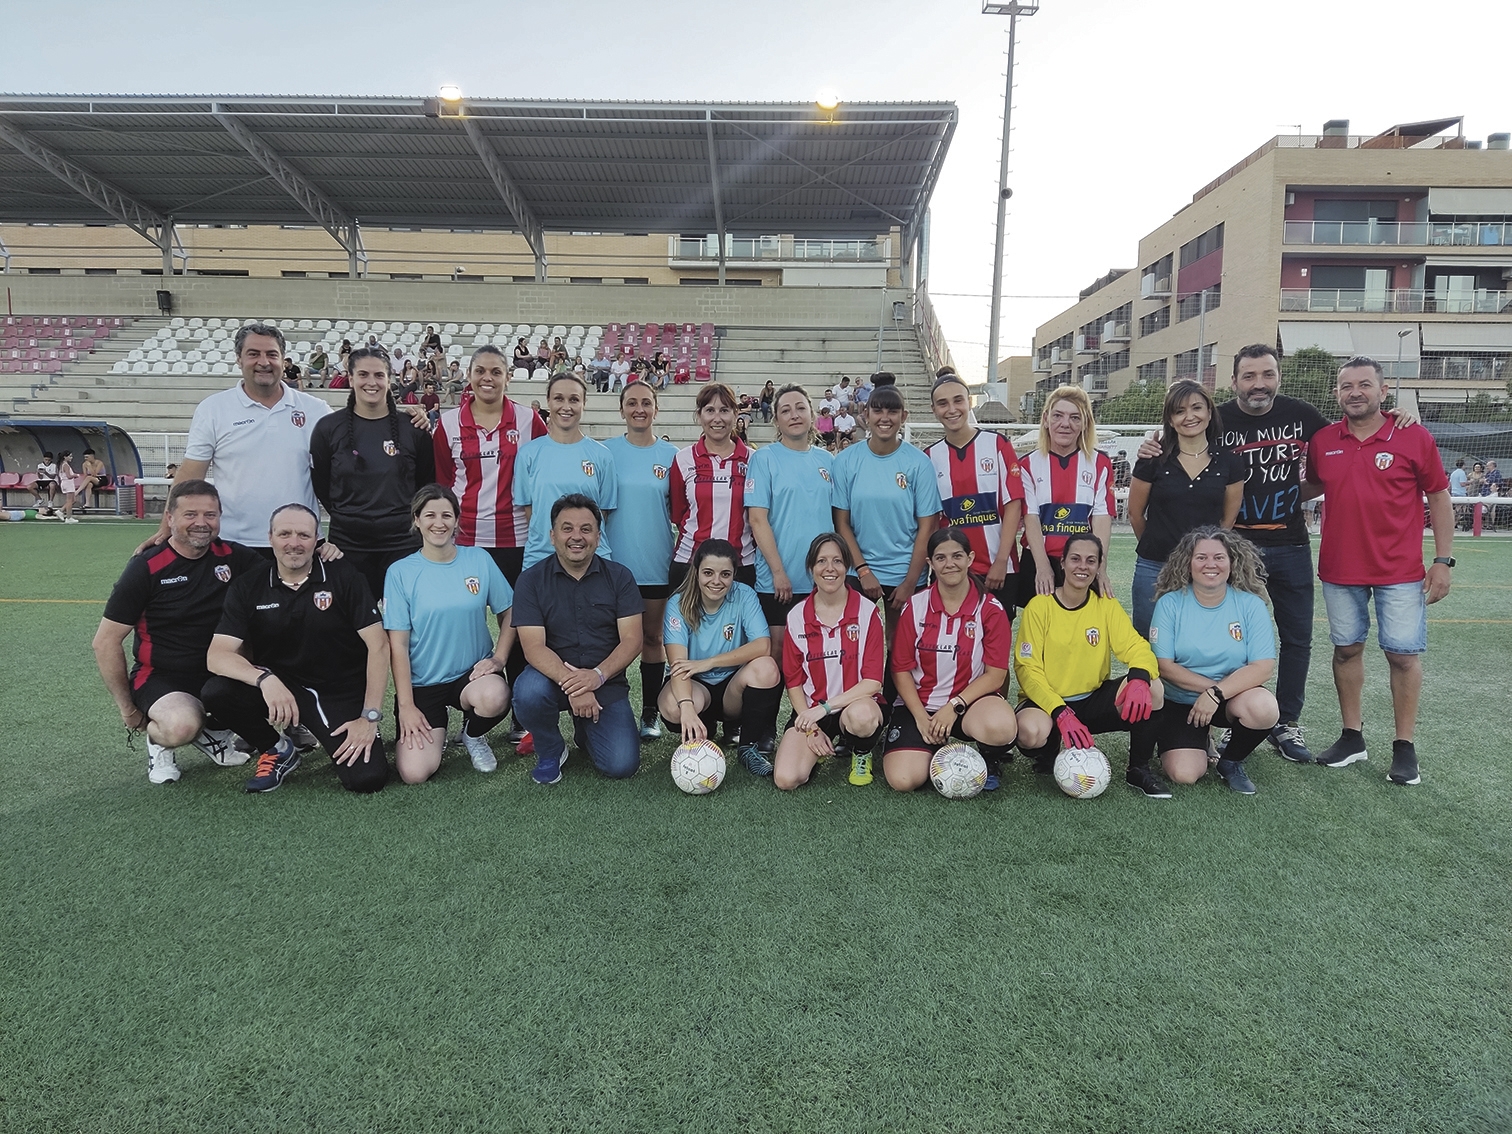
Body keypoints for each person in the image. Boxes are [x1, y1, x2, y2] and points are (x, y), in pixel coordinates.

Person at [1135, 344, 1417, 765]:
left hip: (1288, 544)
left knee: (1296, 636)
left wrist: (1394, 418)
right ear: (1234, 382)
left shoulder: (1302, 415)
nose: (1258, 384)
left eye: (1267, 374)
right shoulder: (1216, 417)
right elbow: (1166, 461)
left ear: (1278, 377)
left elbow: (1348, 436)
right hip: (1229, 550)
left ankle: (1285, 722)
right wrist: (1151, 443)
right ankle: (1190, 722)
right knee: (1202, 636)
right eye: (1249, 376)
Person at [1304, 357, 1453, 786]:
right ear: (1336, 394)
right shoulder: (1324, 440)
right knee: (1346, 650)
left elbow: (1440, 497)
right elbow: (1312, 485)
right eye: (1346, 385)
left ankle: (1404, 748)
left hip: (1400, 570)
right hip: (1339, 568)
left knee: (1403, 655)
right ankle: (1352, 737)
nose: (1355, 392)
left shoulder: (1413, 435)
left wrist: (1443, 561)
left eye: (1364, 384)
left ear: (1383, 391)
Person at [203, 504, 390, 794]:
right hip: (280, 687)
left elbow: (378, 646)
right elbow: (217, 656)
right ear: (270, 537)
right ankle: (276, 749)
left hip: (337, 689)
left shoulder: (343, 576)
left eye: (303, 535)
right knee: (218, 692)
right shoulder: (249, 585)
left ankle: (320, 730)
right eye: (284, 534)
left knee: (367, 779)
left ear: (317, 540)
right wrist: (265, 680)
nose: (293, 543)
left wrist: (369, 717)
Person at [93, 480, 260, 784]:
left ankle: (216, 733)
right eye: (190, 514)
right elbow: (105, 642)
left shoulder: (236, 558)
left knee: (275, 673)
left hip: (221, 672)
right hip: (163, 675)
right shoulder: (146, 567)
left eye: (210, 515)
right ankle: (161, 744)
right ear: (169, 518)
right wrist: (128, 709)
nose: (201, 523)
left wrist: (323, 549)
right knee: (181, 726)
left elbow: (289, 572)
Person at [1014, 534, 1169, 798]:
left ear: (1099, 567)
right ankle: (1049, 749)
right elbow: (1027, 670)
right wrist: (1059, 712)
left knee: (1153, 688)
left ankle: (1138, 768)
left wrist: (1140, 678)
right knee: (1031, 734)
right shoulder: (1039, 606)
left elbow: (1137, 647)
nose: (1082, 567)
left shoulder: (1105, 605)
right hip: (1049, 704)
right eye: (1075, 559)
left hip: (1091, 700)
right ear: (1062, 563)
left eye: (1090, 561)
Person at [154, 323, 333, 549]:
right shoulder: (214, 409)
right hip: (234, 542)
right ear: (238, 359)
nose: (264, 362)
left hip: (300, 543)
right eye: (253, 354)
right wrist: (165, 528)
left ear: (283, 359)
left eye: (271, 354)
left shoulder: (316, 410)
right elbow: (190, 475)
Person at [511, 494, 644, 785]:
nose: (576, 537)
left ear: (598, 535)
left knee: (622, 765)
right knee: (528, 692)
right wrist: (575, 686)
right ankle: (550, 748)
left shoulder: (620, 577)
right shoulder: (531, 581)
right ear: (552, 535)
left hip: (605, 683)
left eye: (586, 529)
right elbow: (533, 647)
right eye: (567, 528)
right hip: (549, 680)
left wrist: (597, 677)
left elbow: (633, 639)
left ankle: (586, 728)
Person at [384, 484, 514, 781]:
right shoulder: (400, 572)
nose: (438, 523)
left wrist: (499, 659)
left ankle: (472, 734)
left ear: (457, 520)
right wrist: (406, 707)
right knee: (414, 773)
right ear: (416, 520)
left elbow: (510, 611)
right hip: (423, 685)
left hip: (471, 676)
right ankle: (435, 731)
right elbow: (398, 646)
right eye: (429, 515)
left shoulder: (478, 559)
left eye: (446, 515)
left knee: (495, 696)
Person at [883, 528, 1017, 793]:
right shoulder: (915, 606)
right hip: (920, 704)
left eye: (957, 556)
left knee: (1001, 727)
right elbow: (900, 668)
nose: (950, 564)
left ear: (970, 558)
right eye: (941, 558)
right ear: (930, 563)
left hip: (968, 705)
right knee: (903, 781)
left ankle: (988, 757)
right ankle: (932, 747)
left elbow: (996, 674)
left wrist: (953, 705)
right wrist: (921, 718)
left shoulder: (989, 609)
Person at [1150, 527, 1278, 795]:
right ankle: (1192, 738)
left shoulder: (1250, 605)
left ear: (1232, 562)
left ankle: (1231, 761)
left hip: (1229, 697)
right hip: (1181, 701)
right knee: (1184, 774)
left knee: (1264, 707)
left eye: (1219, 557)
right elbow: (1164, 665)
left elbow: (1263, 666)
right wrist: (1209, 690)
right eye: (1201, 557)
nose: (1211, 564)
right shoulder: (1170, 603)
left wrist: (1217, 694)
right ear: (1188, 562)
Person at [310, 346, 436, 601]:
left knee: (407, 626)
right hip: (347, 545)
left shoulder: (412, 428)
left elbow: (425, 484)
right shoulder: (328, 428)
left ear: (389, 379)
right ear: (351, 377)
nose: (372, 382)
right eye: (363, 374)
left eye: (379, 375)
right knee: (351, 627)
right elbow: (321, 484)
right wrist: (350, 516)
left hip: (403, 543)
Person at [1125, 380, 1246, 636]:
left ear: (1209, 413)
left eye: (1197, 408)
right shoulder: (1153, 460)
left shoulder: (1229, 463)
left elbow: (1227, 520)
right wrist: (1162, 548)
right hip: (1154, 567)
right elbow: (1135, 514)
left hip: (1205, 569)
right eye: (1179, 411)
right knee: (1148, 641)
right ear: (1170, 419)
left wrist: (1203, 556)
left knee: (1198, 639)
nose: (1189, 416)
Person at [659, 537, 784, 776]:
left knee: (766, 668)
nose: (716, 581)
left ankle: (748, 748)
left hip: (731, 688)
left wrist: (709, 662)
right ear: (696, 571)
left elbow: (762, 646)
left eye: (725, 574)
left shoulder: (744, 595)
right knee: (675, 709)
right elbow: (678, 665)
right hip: (694, 684)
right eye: (708, 572)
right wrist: (686, 707)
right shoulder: (678, 602)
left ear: (734, 574)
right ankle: (701, 729)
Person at [774, 533, 886, 790]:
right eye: (821, 561)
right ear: (811, 568)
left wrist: (824, 709)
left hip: (855, 705)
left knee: (862, 717)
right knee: (786, 779)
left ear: (846, 567)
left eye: (837, 561)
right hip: (811, 709)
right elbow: (793, 681)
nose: (829, 568)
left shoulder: (867, 612)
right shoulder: (797, 616)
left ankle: (861, 751)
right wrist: (811, 726)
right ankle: (819, 747)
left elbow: (872, 683)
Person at [603, 380, 679, 739]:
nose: (639, 409)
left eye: (646, 403)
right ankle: (606, 710)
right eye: (631, 403)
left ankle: (650, 712)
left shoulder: (671, 456)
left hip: (656, 563)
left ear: (656, 409)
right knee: (609, 641)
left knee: (652, 637)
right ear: (621, 410)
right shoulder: (605, 454)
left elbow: (679, 511)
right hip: (613, 566)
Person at [832, 384, 941, 636]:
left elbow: (927, 528)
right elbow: (842, 524)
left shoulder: (919, 464)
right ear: (865, 414)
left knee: (900, 645)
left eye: (892, 411)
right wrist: (863, 570)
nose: (884, 418)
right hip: (858, 570)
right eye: (877, 410)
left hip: (904, 571)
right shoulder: (847, 460)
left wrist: (910, 583)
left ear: (903, 417)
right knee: (853, 642)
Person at [925, 372, 1026, 619]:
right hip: (950, 571)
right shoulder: (929, 457)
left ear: (969, 402)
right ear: (934, 410)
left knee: (995, 644)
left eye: (958, 400)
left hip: (997, 568)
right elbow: (930, 521)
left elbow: (1013, 504)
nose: (951, 409)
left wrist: (1001, 561)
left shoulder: (998, 444)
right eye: (943, 403)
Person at [746, 384, 835, 646]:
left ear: (812, 414)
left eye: (800, 408)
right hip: (779, 580)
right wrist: (778, 572)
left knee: (818, 659)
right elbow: (757, 519)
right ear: (776, 420)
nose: (794, 415)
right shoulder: (764, 458)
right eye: (785, 410)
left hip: (821, 580)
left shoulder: (827, 461)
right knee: (776, 657)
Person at [1018, 385, 1115, 610]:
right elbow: (1030, 518)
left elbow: (1101, 518)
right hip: (1041, 559)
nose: (1065, 424)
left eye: (1075, 418)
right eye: (1058, 416)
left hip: (1082, 562)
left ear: (1084, 424)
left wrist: (1100, 567)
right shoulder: (1027, 464)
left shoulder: (1100, 463)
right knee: (1040, 629)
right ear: (1045, 419)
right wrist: (1042, 568)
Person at [515, 373, 619, 569]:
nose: (566, 406)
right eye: (558, 398)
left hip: (592, 558)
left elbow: (602, 513)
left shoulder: (602, 455)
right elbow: (530, 512)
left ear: (583, 403)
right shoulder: (528, 454)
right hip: (541, 557)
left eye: (574, 399)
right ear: (548, 401)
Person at [669, 382, 756, 591]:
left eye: (724, 410)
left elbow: (758, 517)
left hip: (741, 566)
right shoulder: (683, 459)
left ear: (735, 414)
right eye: (710, 410)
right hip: (689, 564)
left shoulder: (754, 460)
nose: (717, 418)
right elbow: (679, 514)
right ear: (699, 415)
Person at [78, 448, 110, 514]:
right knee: (89, 484)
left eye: (87, 457)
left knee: (89, 478)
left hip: (101, 479)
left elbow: (95, 474)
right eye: (84, 457)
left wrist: (89, 467)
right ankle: (88, 503)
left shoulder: (99, 463)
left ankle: (77, 492)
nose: (85, 459)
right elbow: (85, 475)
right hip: (91, 479)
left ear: (92, 456)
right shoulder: (84, 464)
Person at [54, 450, 80, 523]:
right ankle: (68, 517)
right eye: (70, 456)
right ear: (65, 457)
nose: (71, 458)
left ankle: (61, 511)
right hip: (68, 483)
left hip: (67, 483)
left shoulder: (62, 464)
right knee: (69, 501)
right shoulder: (65, 465)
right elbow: (69, 476)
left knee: (73, 500)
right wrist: (76, 475)